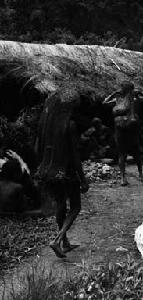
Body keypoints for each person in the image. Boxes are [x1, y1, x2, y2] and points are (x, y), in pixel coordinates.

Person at [35, 90, 89, 258]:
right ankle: (57, 240)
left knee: (60, 205)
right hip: (66, 173)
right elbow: (75, 156)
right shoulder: (69, 125)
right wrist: (83, 179)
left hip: (48, 172)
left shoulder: (46, 125)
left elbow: (37, 149)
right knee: (75, 207)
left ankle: (65, 243)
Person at [103, 81, 143, 186]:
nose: (121, 89)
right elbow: (104, 103)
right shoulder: (117, 100)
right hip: (121, 130)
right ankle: (124, 177)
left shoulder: (134, 99)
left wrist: (140, 91)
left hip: (131, 130)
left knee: (134, 153)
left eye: (122, 88)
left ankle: (139, 174)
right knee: (124, 154)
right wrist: (113, 94)